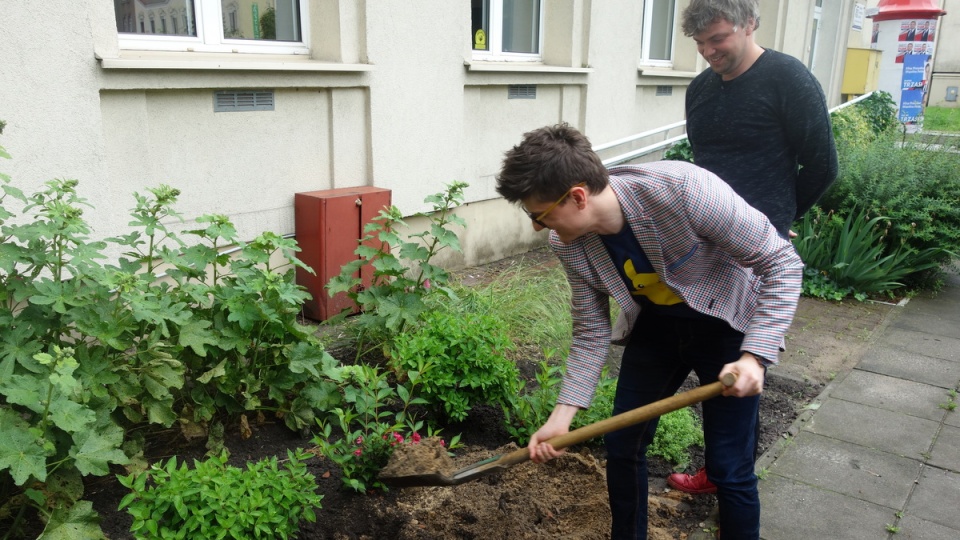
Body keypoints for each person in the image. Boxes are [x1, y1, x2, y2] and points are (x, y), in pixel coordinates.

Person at [496, 123, 803, 539]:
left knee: (730, 467)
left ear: (579, 197)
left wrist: (755, 356)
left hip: (727, 324)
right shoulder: (568, 243)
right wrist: (562, 416)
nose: (538, 227)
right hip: (657, 326)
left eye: (539, 215)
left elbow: (781, 263)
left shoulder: (685, 190)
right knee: (623, 447)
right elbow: (590, 331)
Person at [672, 0, 838, 496]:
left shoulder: (787, 78)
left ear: (749, 24)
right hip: (705, 243)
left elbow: (823, 166)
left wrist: (775, 224)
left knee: (745, 363)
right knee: (711, 358)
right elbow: (702, 164)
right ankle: (717, 470)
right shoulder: (700, 89)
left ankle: (731, 483)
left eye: (717, 39)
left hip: (755, 253)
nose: (707, 52)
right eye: (699, 44)